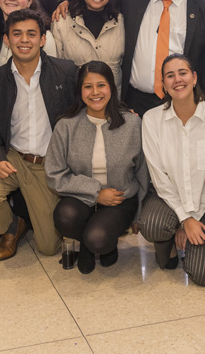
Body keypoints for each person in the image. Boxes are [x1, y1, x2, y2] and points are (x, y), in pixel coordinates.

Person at [0, 9, 79, 260]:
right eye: (16, 34)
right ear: (6, 40)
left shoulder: (65, 72)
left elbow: (88, 103)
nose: (24, 40)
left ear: (42, 39)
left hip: (48, 163)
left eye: (31, 34)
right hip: (13, 157)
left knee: (48, 247)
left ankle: (29, 217)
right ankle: (12, 227)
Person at [46, 61, 148, 273]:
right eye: (87, 86)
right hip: (81, 197)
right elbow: (54, 174)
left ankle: (96, 244)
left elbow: (142, 172)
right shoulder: (66, 125)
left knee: (98, 238)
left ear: (112, 87)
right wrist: (96, 193)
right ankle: (86, 246)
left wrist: (139, 214)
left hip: (120, 199)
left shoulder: (132, 124)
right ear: (79, 91)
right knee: (64, 216)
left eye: (101, 85)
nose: (95, 92)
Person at [139, 54, 205, 285]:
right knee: (153, 224)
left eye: (183, 73)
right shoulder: (151, 119)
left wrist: (192, 219)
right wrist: (183, 219)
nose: (177, 80)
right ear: (164, 85)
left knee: (203, 276)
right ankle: (166, 242)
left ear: (194, 77)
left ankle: (186, 235)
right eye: (170, 75)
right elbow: (159, 177)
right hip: (168, 199)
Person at [50, 0, 126, 92]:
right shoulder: (62, 21)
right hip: (75, 99)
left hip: (112, 100)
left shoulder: (121, 21)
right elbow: (56, 66)